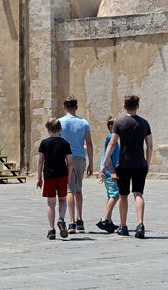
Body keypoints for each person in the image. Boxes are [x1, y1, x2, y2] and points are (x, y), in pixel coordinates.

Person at [102, 94, 153, 239]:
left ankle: (123, 226)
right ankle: (140, 223)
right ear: (137, 106)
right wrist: (147, 163)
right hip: (140, 163)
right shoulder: (144, 123)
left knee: (123, 195)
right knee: (138, 194)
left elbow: (112, 144)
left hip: (123, 164)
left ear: (124, 106)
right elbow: (150, 145)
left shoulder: (119, 123)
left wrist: (105, 163)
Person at [59, 96, 93, 234]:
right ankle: (80, 219)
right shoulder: (84, 123)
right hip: (80, 157)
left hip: (66, 158)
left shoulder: (60, 122)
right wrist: (91, 163)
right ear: (76, 107)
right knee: (78, 189)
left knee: (69, 190)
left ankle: (71, 222)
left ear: (64, 107)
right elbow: (89, 143)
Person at [36, 118, 73, 240]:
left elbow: (40, 161)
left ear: (48, 130)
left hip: (49, 176)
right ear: (60, 129)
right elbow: (70, 162)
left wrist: (39, 177)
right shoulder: (65, 143)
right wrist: (69, 175)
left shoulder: (44, 143)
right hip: (62, 175)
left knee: (51, 203)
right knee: (62, 199)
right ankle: (61, 218)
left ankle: (51, 230)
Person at [96, 116, 120, 233]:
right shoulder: (112, 139)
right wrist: (113, 172)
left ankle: (108, 220)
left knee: (111, 195)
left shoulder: (111, 138)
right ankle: (104, 219)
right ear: (111, 127)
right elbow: (109, 158)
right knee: (115, 195)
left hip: (107, 170)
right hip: (110, 171)